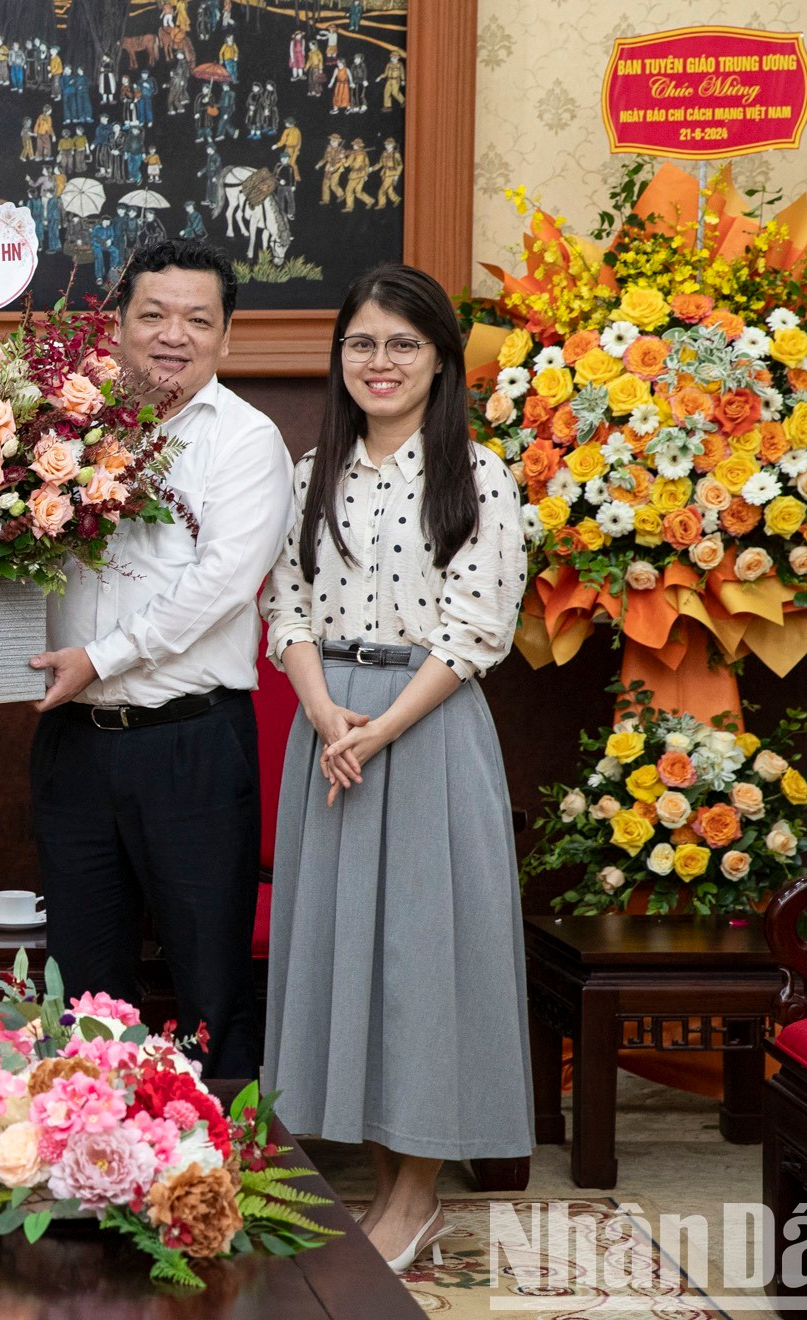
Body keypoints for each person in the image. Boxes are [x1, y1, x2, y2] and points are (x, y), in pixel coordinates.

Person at [260, 263, 531, 1273]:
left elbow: (475, 631)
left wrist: (377, 731)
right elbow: (286, 607)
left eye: (404, 344)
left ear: (442, 360)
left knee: (421, 963)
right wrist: (324, 712)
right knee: (350, 962)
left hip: (426, 732)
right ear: (340, 357)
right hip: (329, 730)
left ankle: (417, 1195)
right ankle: (383, 1184)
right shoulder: (312, 472)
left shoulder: (478, 475)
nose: (381, 362)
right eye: (363, 343)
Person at [28, 240, 294, 1080]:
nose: (172, 335)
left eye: (197, 320)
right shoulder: (57, 430)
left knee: (209, 986)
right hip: (73, 742)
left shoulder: (247, 441)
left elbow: (223, 584)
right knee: (83, 988)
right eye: (153, 314)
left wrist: (99, 657)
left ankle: (225, 1159)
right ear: (116, 325)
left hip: (192, 747)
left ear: (227, 337)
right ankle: (87, 1150)